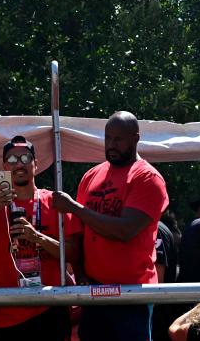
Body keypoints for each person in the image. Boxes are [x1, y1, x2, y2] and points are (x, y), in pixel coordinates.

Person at [53, 111, 169, 341]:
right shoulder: (91, 176)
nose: (111, 145)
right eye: (107, 138)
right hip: (95, 292)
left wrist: (76, 208)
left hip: (131, 294)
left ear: (135, 138)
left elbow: (124, 230)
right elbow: (77, 234)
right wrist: (80, 273)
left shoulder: (147, 178)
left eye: (118, 139)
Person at [0, 135, 78, 341]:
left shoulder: (55, 202)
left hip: (51, 307)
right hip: (10, 311)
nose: (18, 164)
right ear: (5, 167)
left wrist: (38, 238)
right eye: (12, 160)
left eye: (25, 158)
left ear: (36, 164)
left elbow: (73, 253)